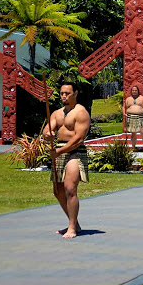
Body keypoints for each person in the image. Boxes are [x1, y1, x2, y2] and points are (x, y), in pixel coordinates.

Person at [43, 84, 90, 239]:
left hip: (74, 151)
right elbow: (48, 130)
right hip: (59, 150)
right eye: (62, 93)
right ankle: (74, 222)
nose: (64, 96)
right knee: (58, 191)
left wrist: (59, 152)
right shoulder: (56, 113)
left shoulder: (81, 112)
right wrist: (47, 135)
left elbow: (79, 138)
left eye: (67, 93)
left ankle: (72, 228)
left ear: (75, 93)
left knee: (70, 188)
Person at [123, 85, 143, 152]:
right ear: (131, 91)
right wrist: (124, 113)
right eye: (133, 90)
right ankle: (133, 147)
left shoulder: (142, 98)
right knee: (133, 133)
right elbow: (124, 107)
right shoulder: (128, 99)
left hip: (140, 117)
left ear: (138, 91)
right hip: (131, 117)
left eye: (135, 90)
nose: (134, 92)